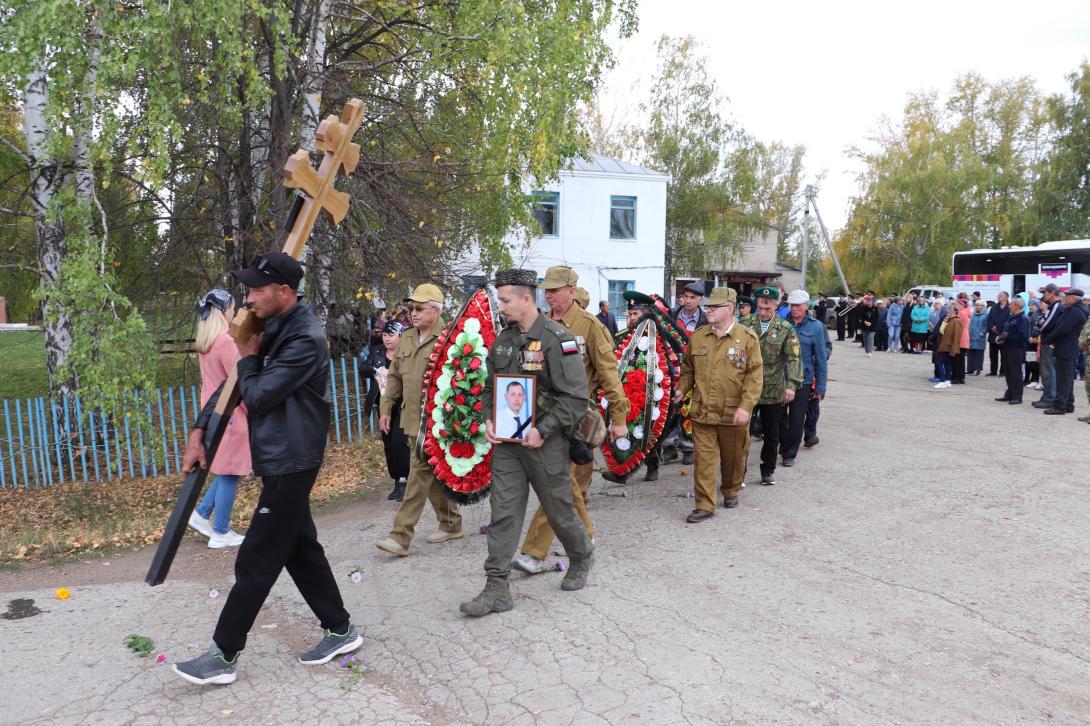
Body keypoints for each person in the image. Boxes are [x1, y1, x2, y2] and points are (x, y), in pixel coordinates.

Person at [174, 252, 360, 686]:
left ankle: (223, 655)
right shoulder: (272, 327)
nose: (249, 297)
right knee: (299, 547)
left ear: (284, 291)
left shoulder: (305, 338)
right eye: (248, 289)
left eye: (257, 289)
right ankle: (340, 629)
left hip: (293, 458)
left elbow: (257, 395)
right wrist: (200, 430)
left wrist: (247, 355)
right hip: (279, 455)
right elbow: (231, 387)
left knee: (258, 555)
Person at [460, 269, 595, 617]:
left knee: (558, 509)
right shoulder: (503, 340)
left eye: (505, 300)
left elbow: (575, 398)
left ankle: (581, 556)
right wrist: (489, 418)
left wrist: (544, 429)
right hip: (508, 444)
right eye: (499, 300)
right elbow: (490, 388)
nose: (500, 306)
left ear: (525, 298)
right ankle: (496, 587)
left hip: (545, 443)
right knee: (503, 513)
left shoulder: (557, 340)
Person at [514, 266, 628, 575]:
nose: (548, 294)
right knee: (566, 485)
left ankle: (533, 552)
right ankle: (585, 533)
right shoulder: (538, 324)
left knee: (557, 482)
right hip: (542, 417)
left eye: (555, 289)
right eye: (546, 289)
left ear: (572, 291)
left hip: (575, 419)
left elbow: (609, 375)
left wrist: (619, 417)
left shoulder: (590, 327)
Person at [375, 283, 463, 557]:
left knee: (418, 473)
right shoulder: (409, 338)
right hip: (413, 420)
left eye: (419, 308)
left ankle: (400, 536)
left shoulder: (450, 338)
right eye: (411, 308)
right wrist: (386, 409)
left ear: (435, 311)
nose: (413, 313)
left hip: (439, 422)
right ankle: (451, 524)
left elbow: (462, 383)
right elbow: (395, 378)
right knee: (433, 474)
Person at [674, 287, 762, 522]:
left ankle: (731, 489)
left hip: (733, 412)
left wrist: (746, 406)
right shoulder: (699, 336)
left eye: (715, 306)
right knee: (703, 459)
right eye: (709, 306)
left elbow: (755, 376)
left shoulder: (747, 339)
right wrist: (681, 389)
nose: (709, 310)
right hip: (703, 410)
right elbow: (688, 370)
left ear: (730, 309)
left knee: (734, 458)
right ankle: (704, 505)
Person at [186, 289, 250, 549]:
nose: (233, 312)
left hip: (213, 413)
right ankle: (221, 531)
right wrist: (252, 408)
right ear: (224, 311)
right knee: (230, 472)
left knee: (225, 471)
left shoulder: (206, 343)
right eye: (231, 308)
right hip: (231, 415)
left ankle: (201, 514)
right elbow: (238, 383)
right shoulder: (225, 342)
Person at [739, 287, 801, 486]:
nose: (763, 312)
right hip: (747, 388)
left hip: (773, 389)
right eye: (760, 307)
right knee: (741, 433)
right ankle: (739, 472)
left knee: (772, 433)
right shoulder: (745, 324)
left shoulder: (785, 328)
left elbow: (794, 358)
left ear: (776, 305)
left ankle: (768, 470)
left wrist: (791, 385)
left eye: (768, 308)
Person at [360, 320, 409, 501]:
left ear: (400, 336)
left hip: (403, 403)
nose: (387, 339)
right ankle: (397, 480)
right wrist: (375, 369)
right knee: (388, 442)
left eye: (391, 335)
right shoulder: (377, 352)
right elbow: (363, 369)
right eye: (385, 335)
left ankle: (404, 480)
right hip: (383, 403)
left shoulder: (406, 353)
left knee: (399, 441)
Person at [781, 290, 829, 457]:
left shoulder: (816, 327)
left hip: (804, 380)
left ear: (806, 306)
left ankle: (789, 454)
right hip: (780, 378)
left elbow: (822, 359)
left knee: (797, 419)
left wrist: (821, 387)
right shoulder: (781, 322)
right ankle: (782, 445)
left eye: (797, 306)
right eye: (791, 305)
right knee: (778, 419)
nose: (794, 309)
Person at [1041, 288, 1089, 415]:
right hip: (1068, 347)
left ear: (1073, 298)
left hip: (1066, 347)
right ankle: (1068, 404)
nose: (1064, 298)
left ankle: (1060, 406)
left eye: (1067, 296)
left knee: (1063, 379)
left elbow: (1062, 329)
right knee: (1067, 378)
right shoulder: (1076, 310)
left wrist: (1048, 339)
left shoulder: (1074, 311)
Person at [1031, 285, 1063, 409]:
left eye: (1046, 293)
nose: (1044, 296)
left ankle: (1050, 397)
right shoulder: (1052, 306)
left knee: (1048, 371)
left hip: (1049, 342)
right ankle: (1046, 395)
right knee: (1045, 372)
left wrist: (1039, 329)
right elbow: (1043, 320)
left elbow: (1047, 324)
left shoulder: (1056, 305)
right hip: (1046, 341)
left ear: (1052, 293)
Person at [995, 296, 1029, 405]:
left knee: (1015, 373)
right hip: (1007, 348)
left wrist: (1007, 338)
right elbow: (1005, 330)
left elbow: (1023, 336)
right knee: (1008, 372)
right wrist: (1000, 338)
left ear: (1016, 306)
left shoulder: (1023, 319)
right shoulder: (1011, 317)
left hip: (1016, 349)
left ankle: (1017, 396)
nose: (1009, 306)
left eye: (1011, 304)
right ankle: (1009, 393)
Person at [934, 304, 963, 389]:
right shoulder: (949, 320)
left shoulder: (956, 321)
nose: (947, 312)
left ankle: (943, 380)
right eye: (947, 311)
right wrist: (945, 321)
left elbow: (957, 336)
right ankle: (947, 381)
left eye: (949, 311)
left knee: (939, 363)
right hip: (945, 345)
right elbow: (941, 331)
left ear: (955, 312)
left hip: (948, 346)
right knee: (947, 364)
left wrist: (954, 348)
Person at [986, 291, 1011, 376]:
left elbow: (1009, 321)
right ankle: (993, 371)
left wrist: (999, 328)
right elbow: (989, 318)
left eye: (1000, 295)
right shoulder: (994, 307)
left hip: (1003, 334)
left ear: (1006, 297)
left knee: (1004, 354)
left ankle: (1003, 372)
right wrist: (992, 327)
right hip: (993, 334)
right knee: (992, 354)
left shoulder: (1010, 307)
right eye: (998, 295)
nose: (998, 296)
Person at [967, 299, 989, 375]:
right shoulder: (973, 314)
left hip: (980, 338)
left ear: (983, 306)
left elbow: (986, 326)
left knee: (979, 354)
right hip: (971, 336)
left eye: (979, 305)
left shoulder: (986, 315)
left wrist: (981, 333)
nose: (977, 307)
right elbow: (970, 324)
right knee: (970, 353)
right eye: (976, 305)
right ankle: (970, 369)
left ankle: (978, 369)